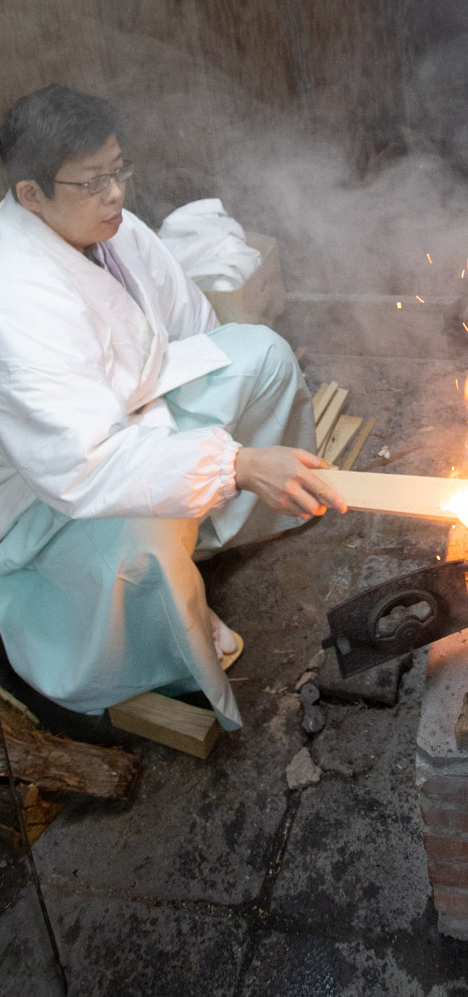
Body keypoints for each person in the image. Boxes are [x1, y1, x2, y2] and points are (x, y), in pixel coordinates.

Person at [0, 85, 346, 731]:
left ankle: (213, 533)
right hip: (46, 490)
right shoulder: (17, 299)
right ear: (31, 193)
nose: (115, 194)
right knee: (147, 543)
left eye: (118, 170)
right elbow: (84, 464)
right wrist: (234, 462)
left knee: (259, 354)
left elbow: (192, 328)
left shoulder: (112, 227)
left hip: (137, 411)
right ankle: (150, 660)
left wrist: (216, 451)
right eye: (92, 181)